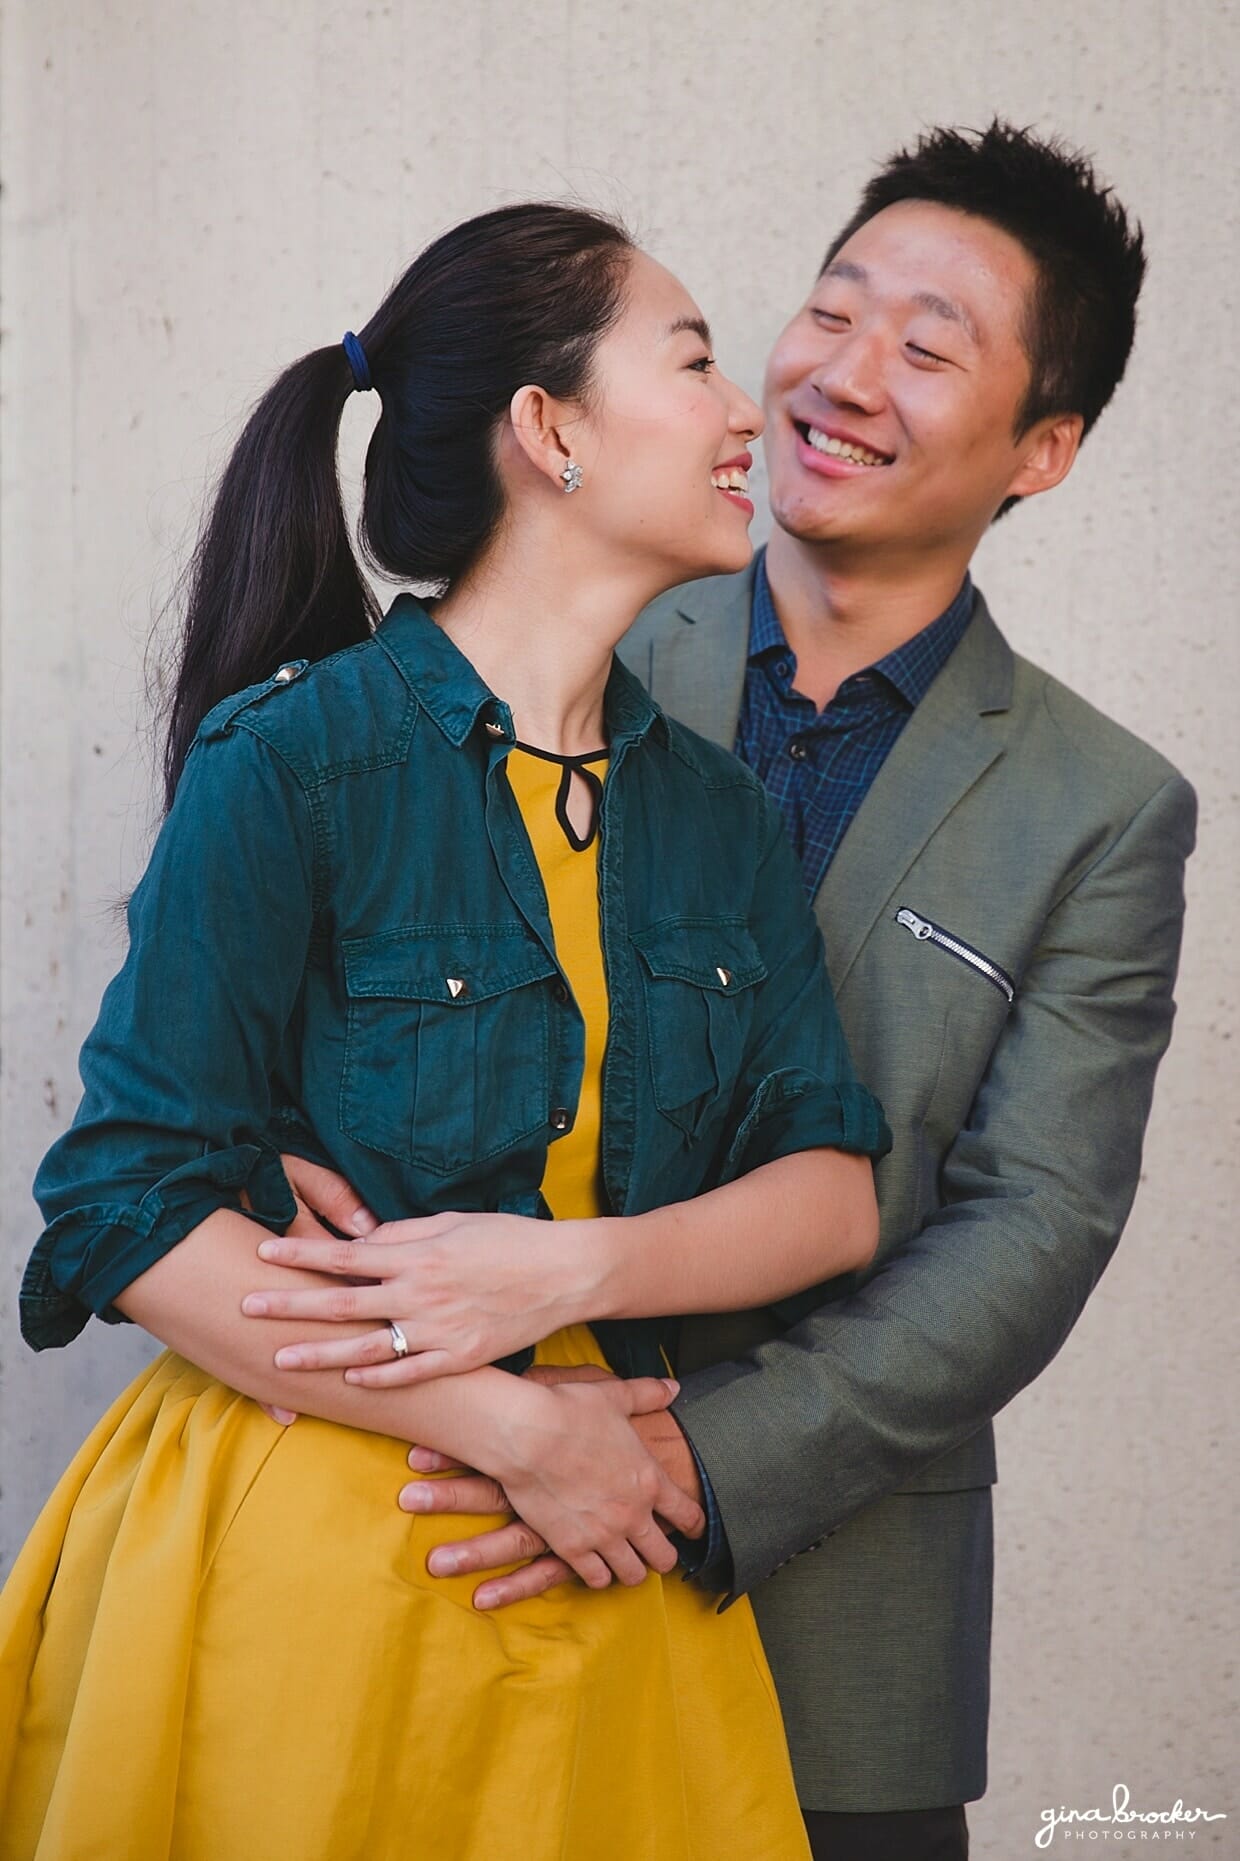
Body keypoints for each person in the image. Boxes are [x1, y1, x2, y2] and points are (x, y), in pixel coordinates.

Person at [308, 124, 1195, 1861]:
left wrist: (686, 1462)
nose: (843, 376)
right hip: (454, 1531)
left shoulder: (1101, 807)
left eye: (929, 348)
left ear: (1045, 446)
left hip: (829, 1608)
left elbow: (1033, 1227)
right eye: (831, 311)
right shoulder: (563, 640)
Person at [0, 202, 894, 1860]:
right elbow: (122, 1204)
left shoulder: (714, 814)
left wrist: (572, 1274)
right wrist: (511, 1422)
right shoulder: (296, 762)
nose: (745, 412)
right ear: (549, 430)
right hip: (323, 1568)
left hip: (610, 1569)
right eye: (694, 361)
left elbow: (833, 1192)